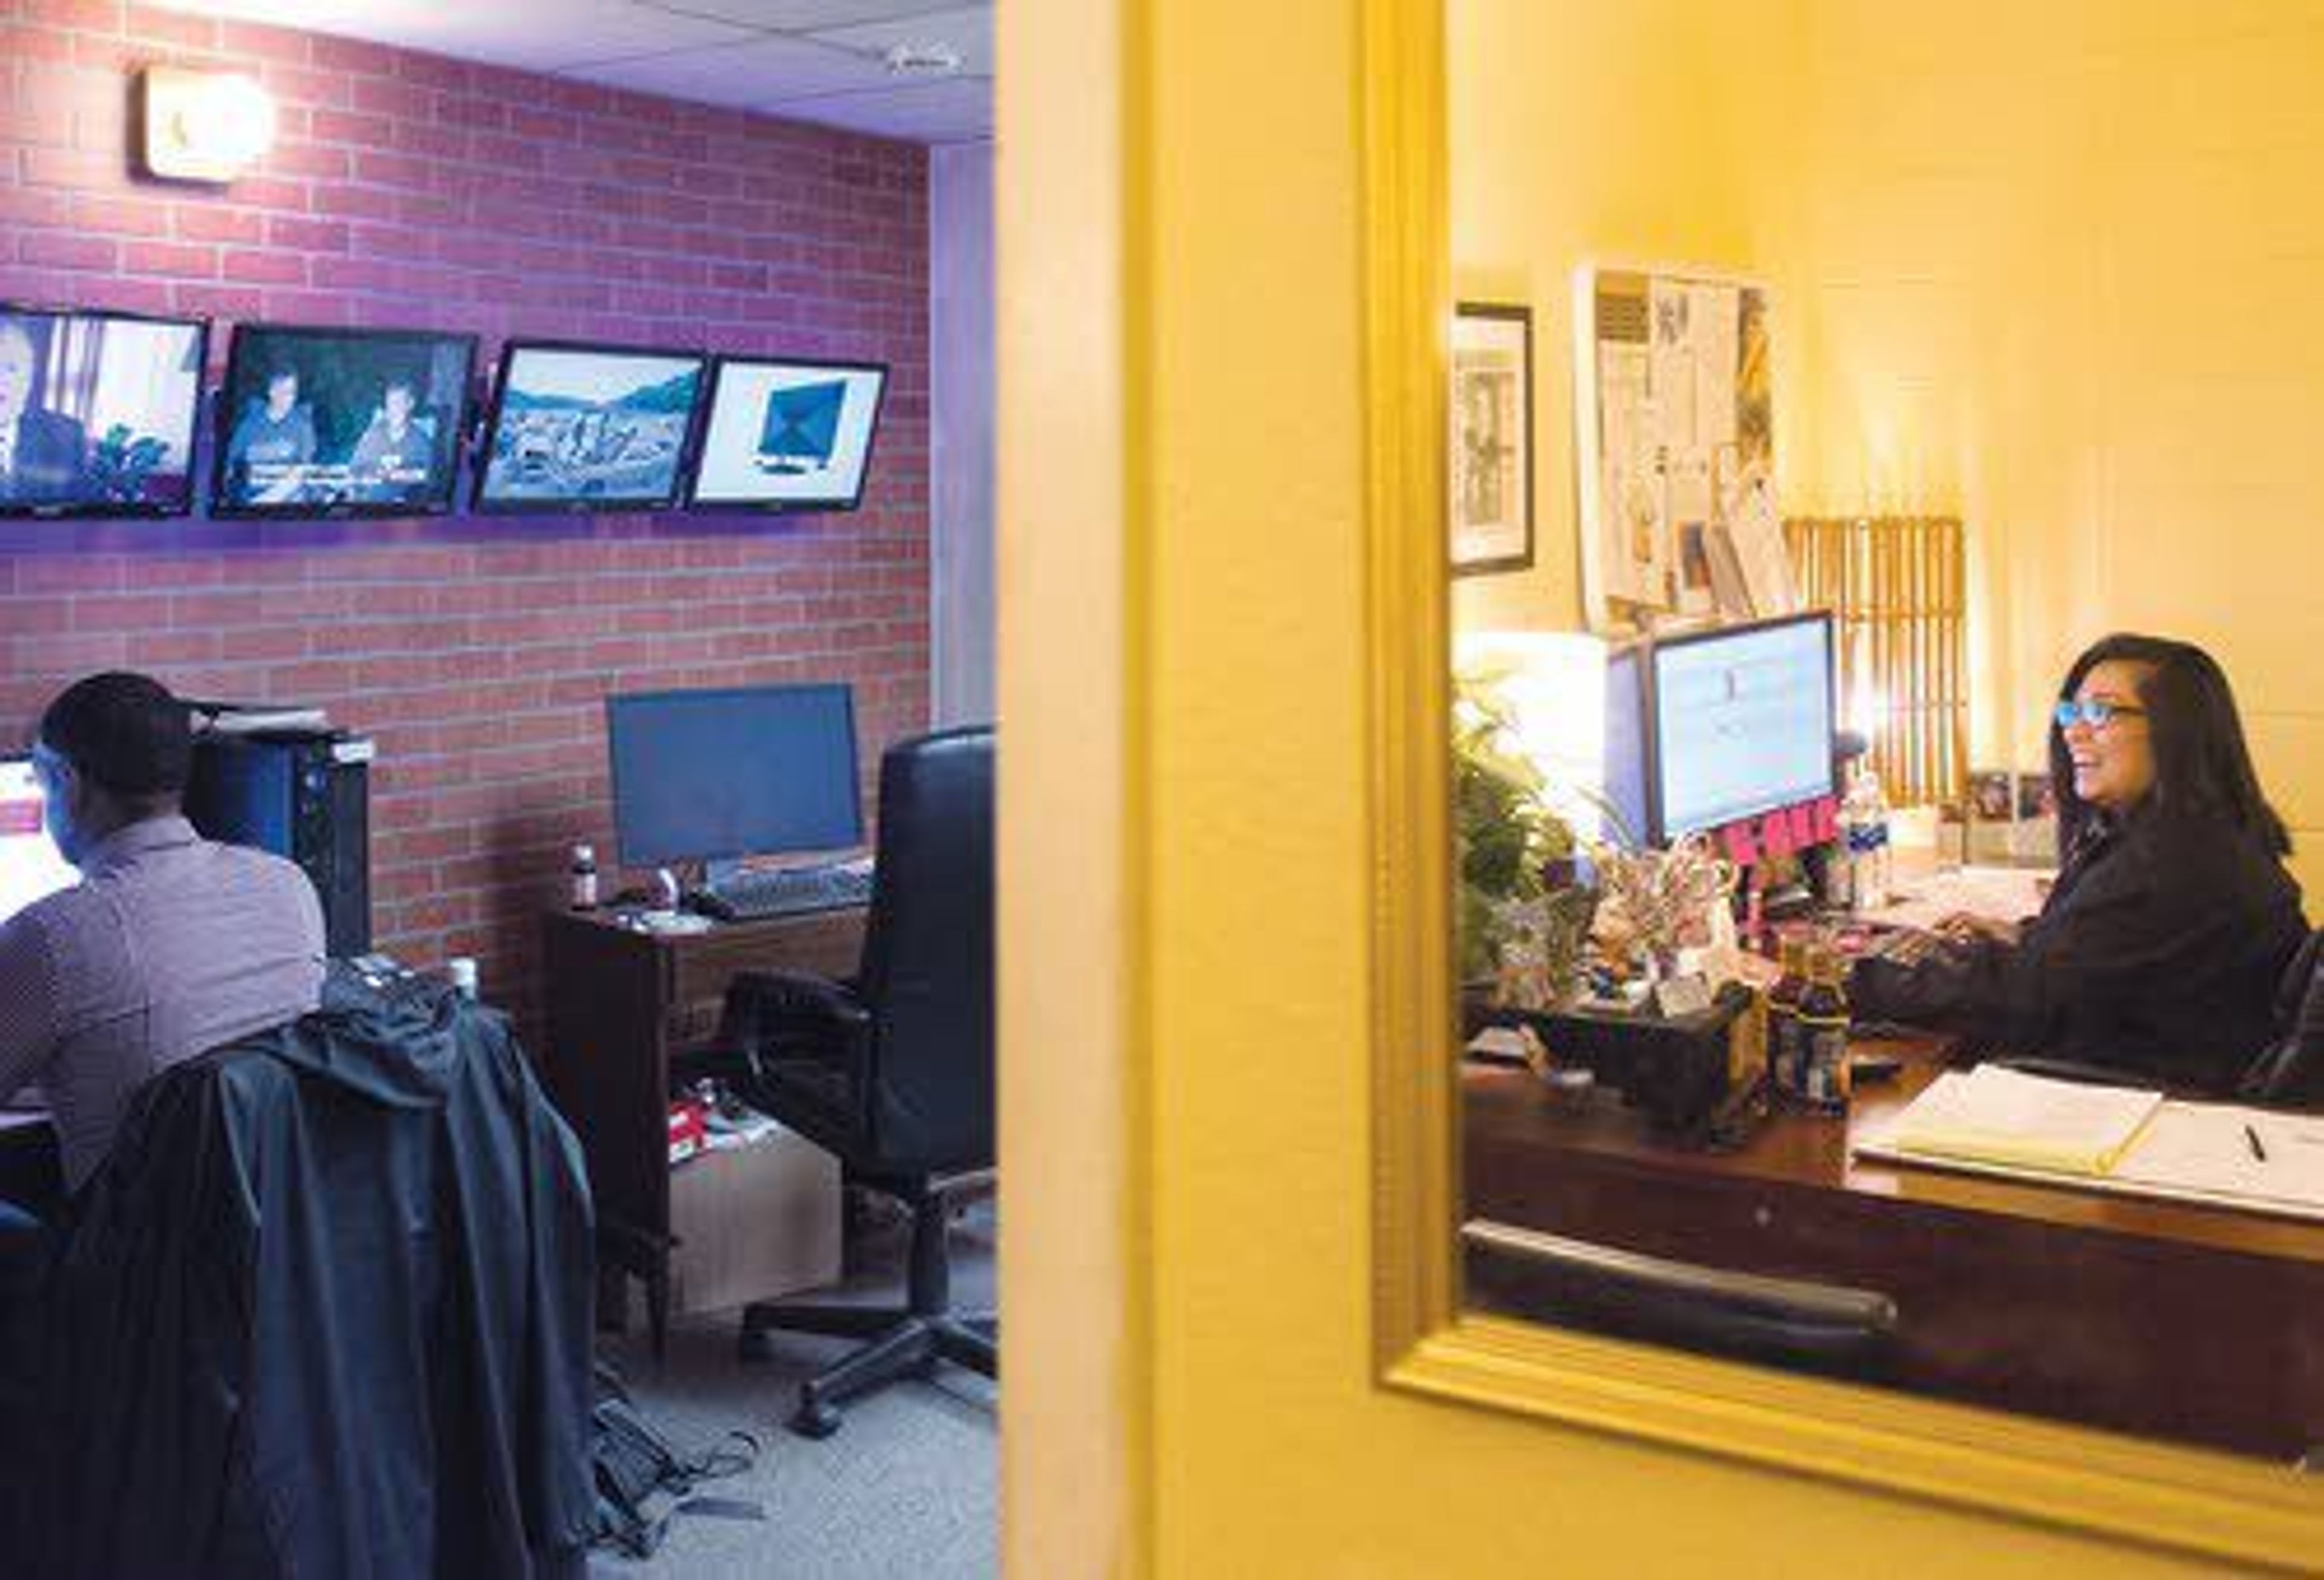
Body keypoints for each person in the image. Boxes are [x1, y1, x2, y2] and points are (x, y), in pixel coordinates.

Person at [1853, 634, 2308, 1093]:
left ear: (2176, 730)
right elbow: (2106, 960)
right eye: (2073, 712)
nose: (2073, 731)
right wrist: (2033, 938)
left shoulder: (2170, 865)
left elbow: (2017, 998)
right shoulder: (2202, 831)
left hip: (2155, 1118)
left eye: (2100, 712)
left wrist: (1833, 975)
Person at [0, 674, 325, 1316]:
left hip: (132, 1288)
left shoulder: (55, 935)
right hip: (277, 1263)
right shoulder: (289, 886)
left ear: (68, 781)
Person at [0, 318, 88, 505]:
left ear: (29, 378)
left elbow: (78, 514)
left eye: (11, 369)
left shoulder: (67, 435)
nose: (2, 381)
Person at [223, 364, 317, 503]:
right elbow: (229, 466)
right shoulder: (248, 427)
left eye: (292, 393)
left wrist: (269, 499)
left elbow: (303, 471)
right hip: (249, 501)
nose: (289, 398)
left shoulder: (303, 428)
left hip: (289, 502)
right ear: (271, 392)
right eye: (283, 392)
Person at [347, 377, 438, 502]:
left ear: (410, 404)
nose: (393, 411)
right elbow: (355, 468)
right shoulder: (374, 434)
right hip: (366, 504)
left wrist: (402, 476)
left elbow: (430, 479)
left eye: (398, 404)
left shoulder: (421, 442)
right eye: (389, 404)